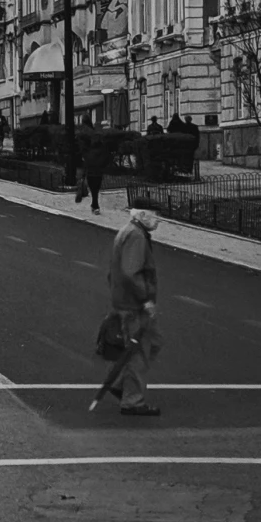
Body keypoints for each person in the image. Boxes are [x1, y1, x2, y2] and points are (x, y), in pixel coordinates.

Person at [106, 204, 163, 418]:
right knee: (140, 351)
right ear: (142, 214)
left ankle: (122, 384)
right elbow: (131, 272)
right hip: (133, 305)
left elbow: (114, 271)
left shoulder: (127, 231)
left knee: (153, 343)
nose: (158, 221)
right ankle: (132, 400)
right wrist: (145, 298)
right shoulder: (137, 237)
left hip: (125, 302)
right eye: (156, 216)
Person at [79, 129, 111, 213]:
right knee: (96, 190)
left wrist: (83, 174)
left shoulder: (89, 150)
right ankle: (95, 205)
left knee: (93, 190)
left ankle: (95, 205)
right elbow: (106, 160)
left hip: (90, 173)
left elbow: (86, 162)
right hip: (98, 173)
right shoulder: (103, 150)